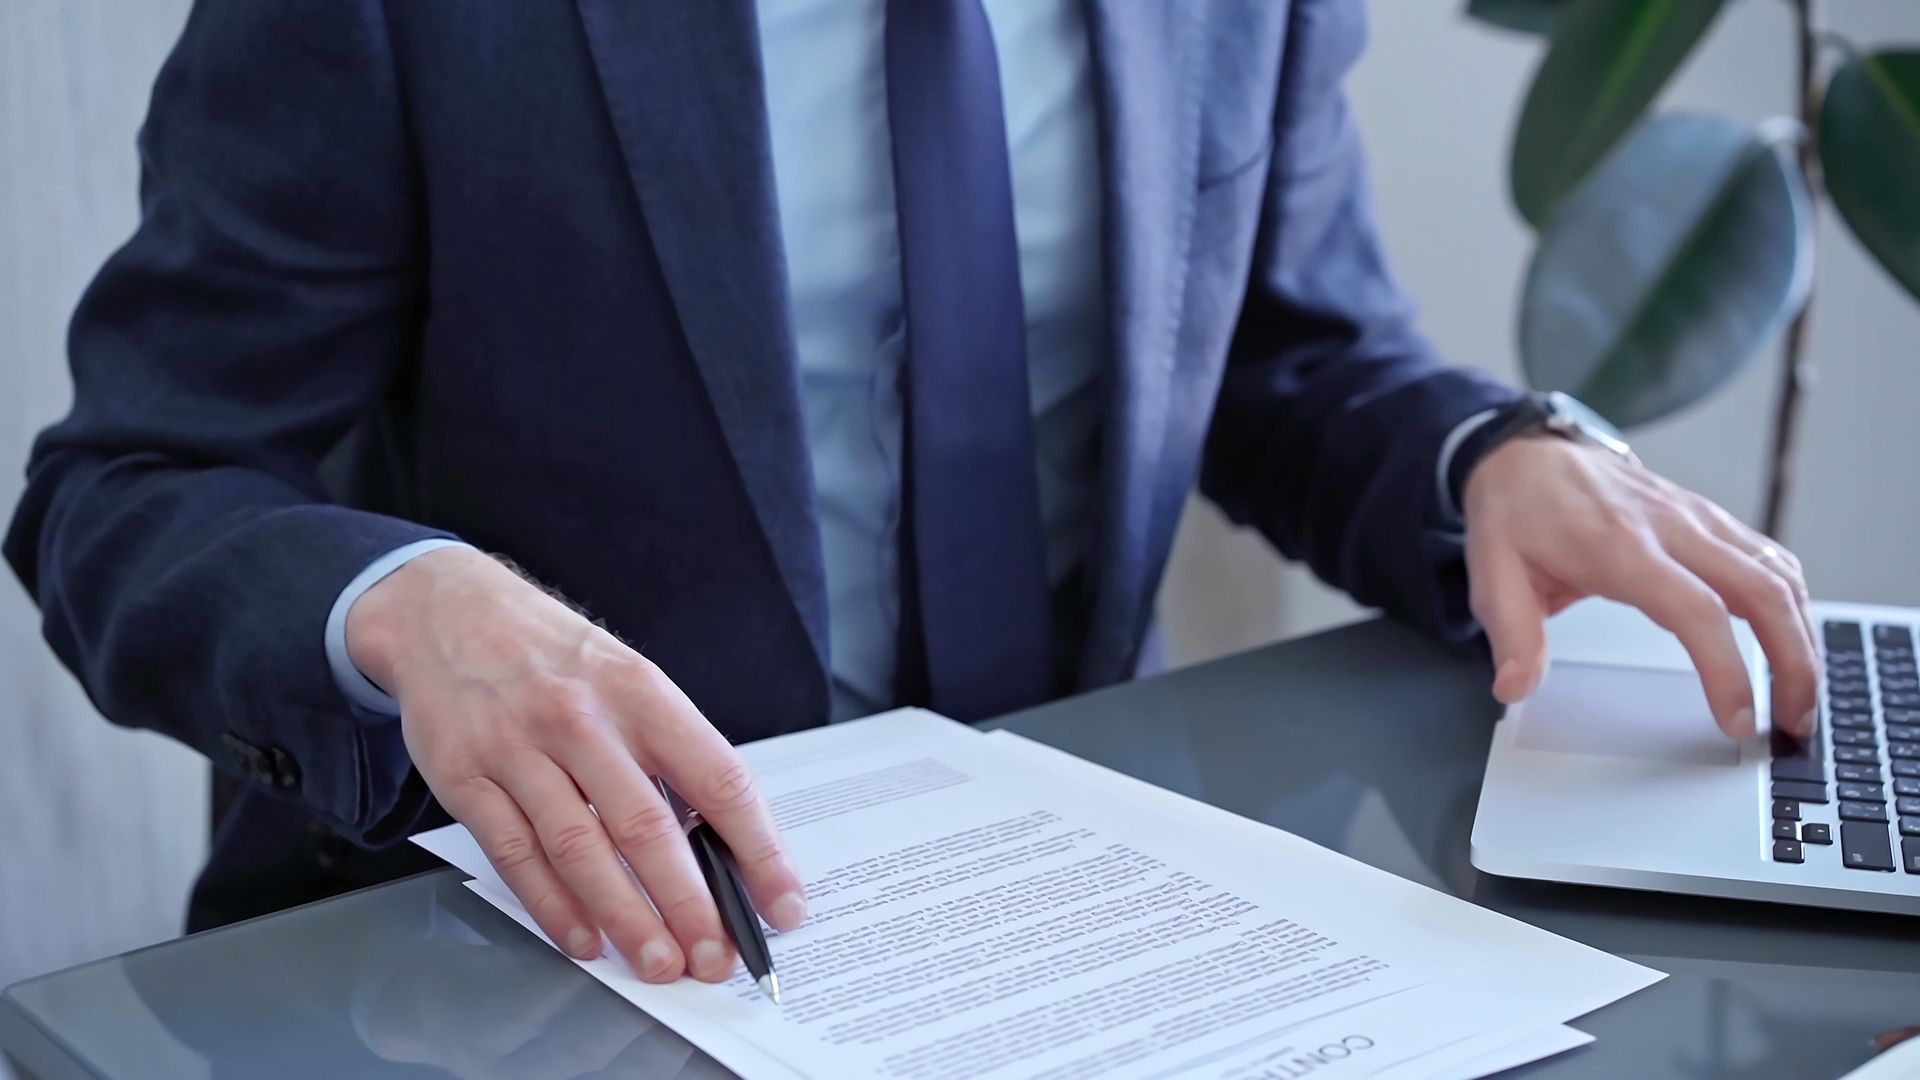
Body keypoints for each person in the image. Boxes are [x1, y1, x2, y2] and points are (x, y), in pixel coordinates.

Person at [5, 0, 1818, 990]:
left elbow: (1281, 345)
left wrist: (1490, 452)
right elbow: (126, 488)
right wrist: (397, 602)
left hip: (1078, 926)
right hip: (523, 958)